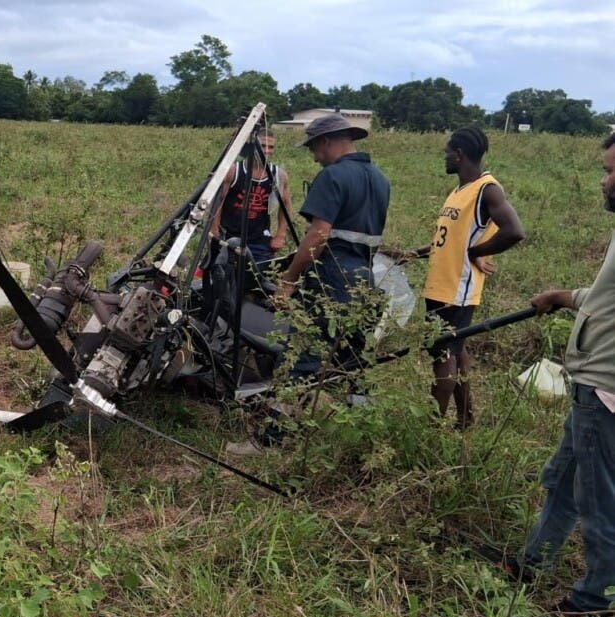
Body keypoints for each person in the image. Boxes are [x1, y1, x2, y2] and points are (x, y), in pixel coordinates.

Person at [502, 132, 615, 617]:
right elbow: (605, 295)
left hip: (606, 388)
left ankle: (595, 602)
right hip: (590, 385)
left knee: (600, 500)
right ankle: (533, 562)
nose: (604, 179)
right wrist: (564, 295)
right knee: (564, 481)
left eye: (613, 171)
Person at [385, 127, 524, 428]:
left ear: (458, 154)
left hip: (457, 289)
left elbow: (514, 231)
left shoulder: (488, 189)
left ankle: (430, 428)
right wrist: (411, 254)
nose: (444, 157)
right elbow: (448, 241)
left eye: (447, 151)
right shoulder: (459, 190)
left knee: (442, 356)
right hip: (441, 285)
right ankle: (465, 419)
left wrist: (477, 252)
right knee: (457, 353)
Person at [276, 113, 391, 380]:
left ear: (325, 141)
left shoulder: (332, 176)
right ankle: (356, 413)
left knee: (303, 357)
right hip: (366, 282)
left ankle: (282, 418)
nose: (315, 157)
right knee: (353, 364)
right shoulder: (380, 179)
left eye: (314, 148)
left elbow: (318, 235)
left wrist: (289, 279)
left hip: (331, 279)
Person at [211, 127, 295, 264]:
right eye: (263, 145)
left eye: (271, 147)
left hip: (260, 241)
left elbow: (286, 204)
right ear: (253, 146)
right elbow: (218, 201)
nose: (267, 150)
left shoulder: (278, 175)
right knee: (222, 278)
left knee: (258, 280)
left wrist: (280, 235)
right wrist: (214, 229)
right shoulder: (234, 171)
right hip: (229, 238)